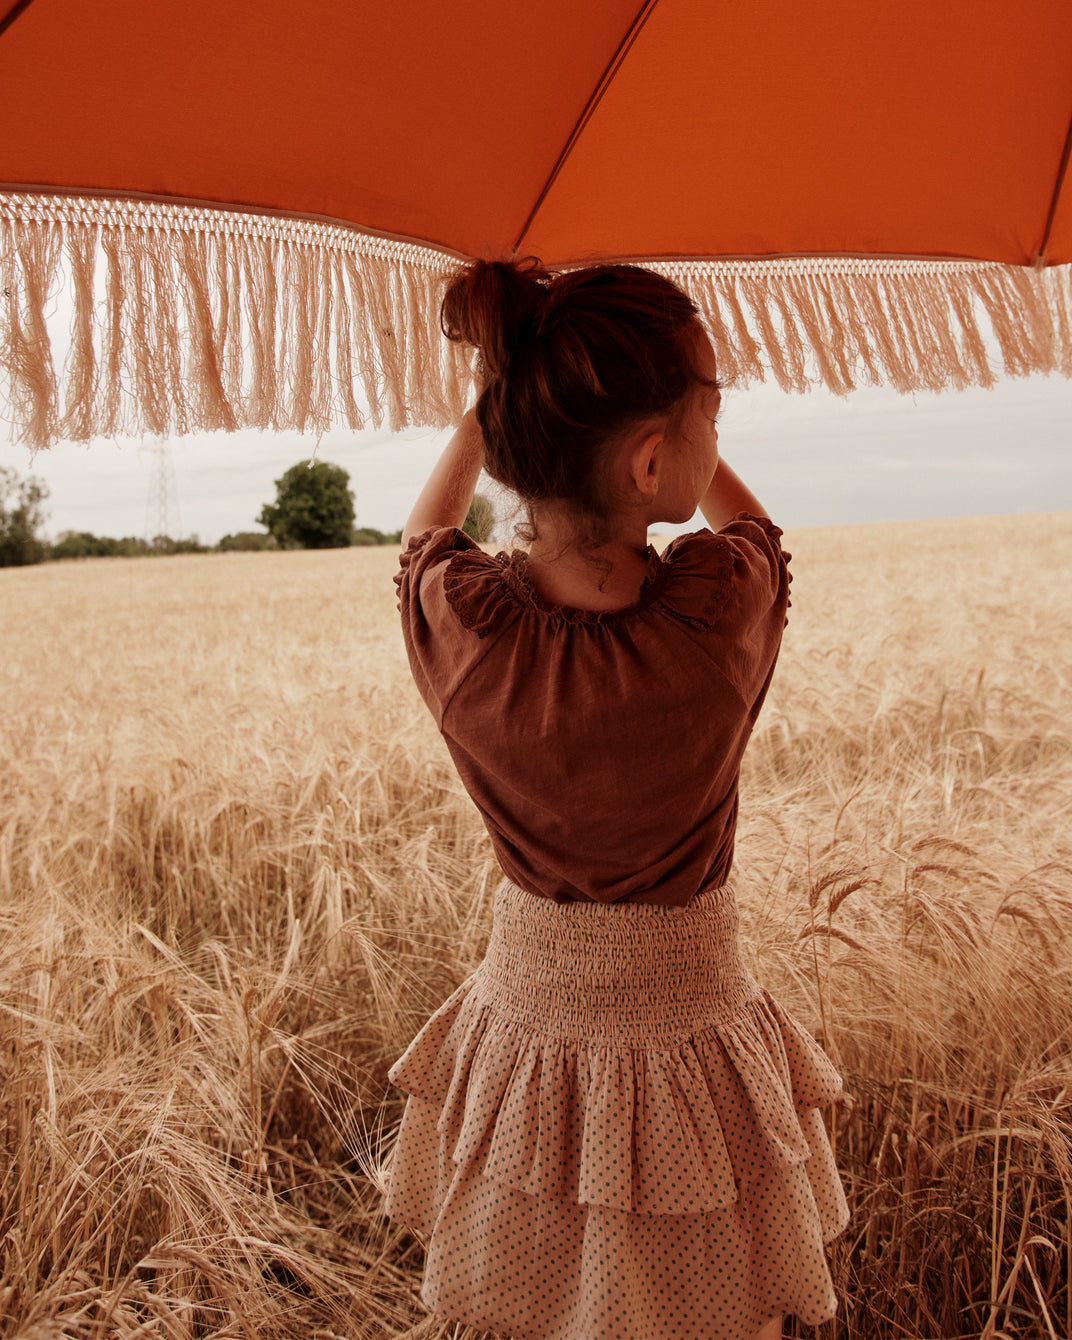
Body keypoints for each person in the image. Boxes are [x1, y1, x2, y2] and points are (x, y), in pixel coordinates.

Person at [383, 258, 849, 1340]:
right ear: (651, 458)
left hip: (524, 1054)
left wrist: (500, 395)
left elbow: (418, 546)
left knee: (532, 1307)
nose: (714, 432)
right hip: (694, 1056)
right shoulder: (714, 622)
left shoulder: (462, 634)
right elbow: (757, 542)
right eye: (710, 413)